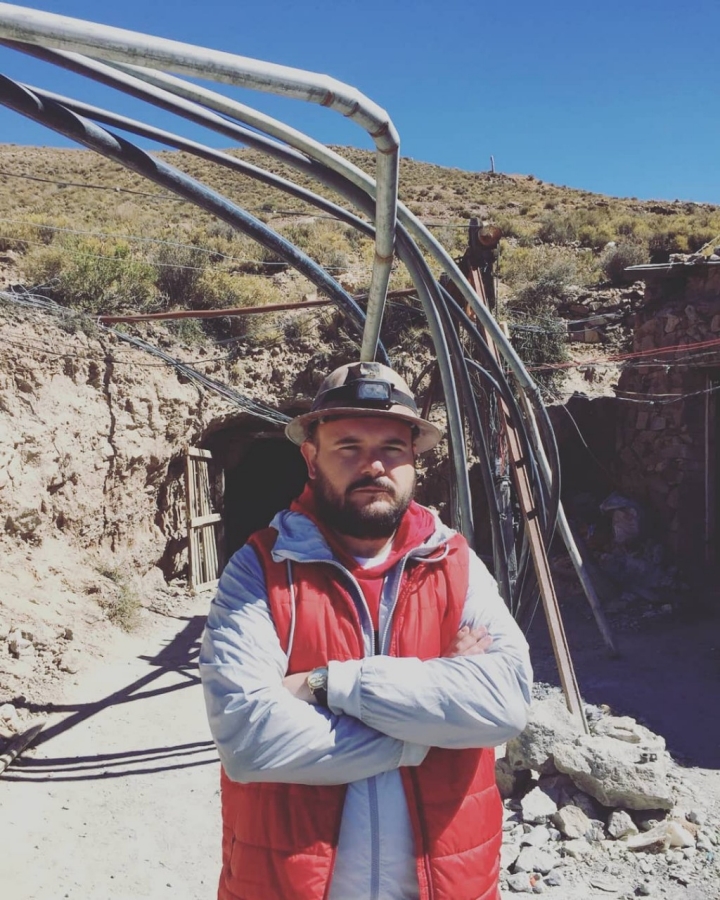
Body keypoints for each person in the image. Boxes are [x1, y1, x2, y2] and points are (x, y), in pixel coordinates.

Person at [200, 361, 532, 900]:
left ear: (414, 460)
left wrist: (328, 685)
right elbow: (248, 740)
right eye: (348, 446)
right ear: (311, 457)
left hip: (446, 882)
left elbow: (506, 706)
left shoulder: (456, 565)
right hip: (289, 883)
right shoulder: (260, 570)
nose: (373, 465)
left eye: (392, 449)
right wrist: (429, 724)